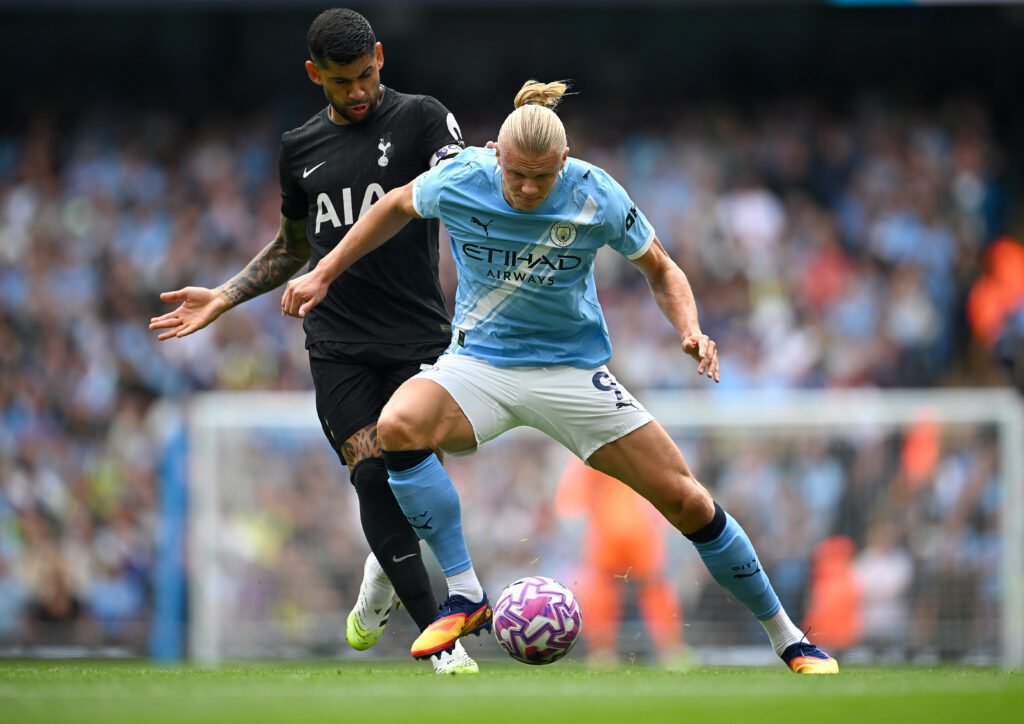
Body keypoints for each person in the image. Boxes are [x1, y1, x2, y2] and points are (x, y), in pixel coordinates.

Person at [280, 79, 839, 674]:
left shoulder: (596, 194)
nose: (525, 188)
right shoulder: (462, 176)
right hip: (481, 365)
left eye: (540, 178)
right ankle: (466, 592)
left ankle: (788, 637)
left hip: (572, 372)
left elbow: (662, 269)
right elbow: (391, 206)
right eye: (515, 174)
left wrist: (690, 329)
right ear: (496, 154)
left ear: (564, 164)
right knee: (397, 424)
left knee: (686, 499)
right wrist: (325, 273)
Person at [148, 8, 477, 674]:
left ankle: (383, 574)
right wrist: (226, 293)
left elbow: (455, 181)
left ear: (380, 57)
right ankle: (444, 648)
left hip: (420, 339)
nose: (356, 93)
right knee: (373, 475)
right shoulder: (299, 149)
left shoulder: (422, 118)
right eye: (340, 82)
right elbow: (293, 248)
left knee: (417, 486)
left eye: (364, 76)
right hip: (340, 346)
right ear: (313, 75)